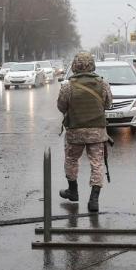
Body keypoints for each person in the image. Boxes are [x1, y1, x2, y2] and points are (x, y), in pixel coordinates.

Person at [57, 51, 112, 212]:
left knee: (71, 160)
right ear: (92, 65)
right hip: (97, 132)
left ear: (75, 66)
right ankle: (94, 200)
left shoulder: (68, 86)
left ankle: (73, 191)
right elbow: (108, 104)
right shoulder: (103, 84)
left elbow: (61, 106)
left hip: (75, 132)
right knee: (97, 164)